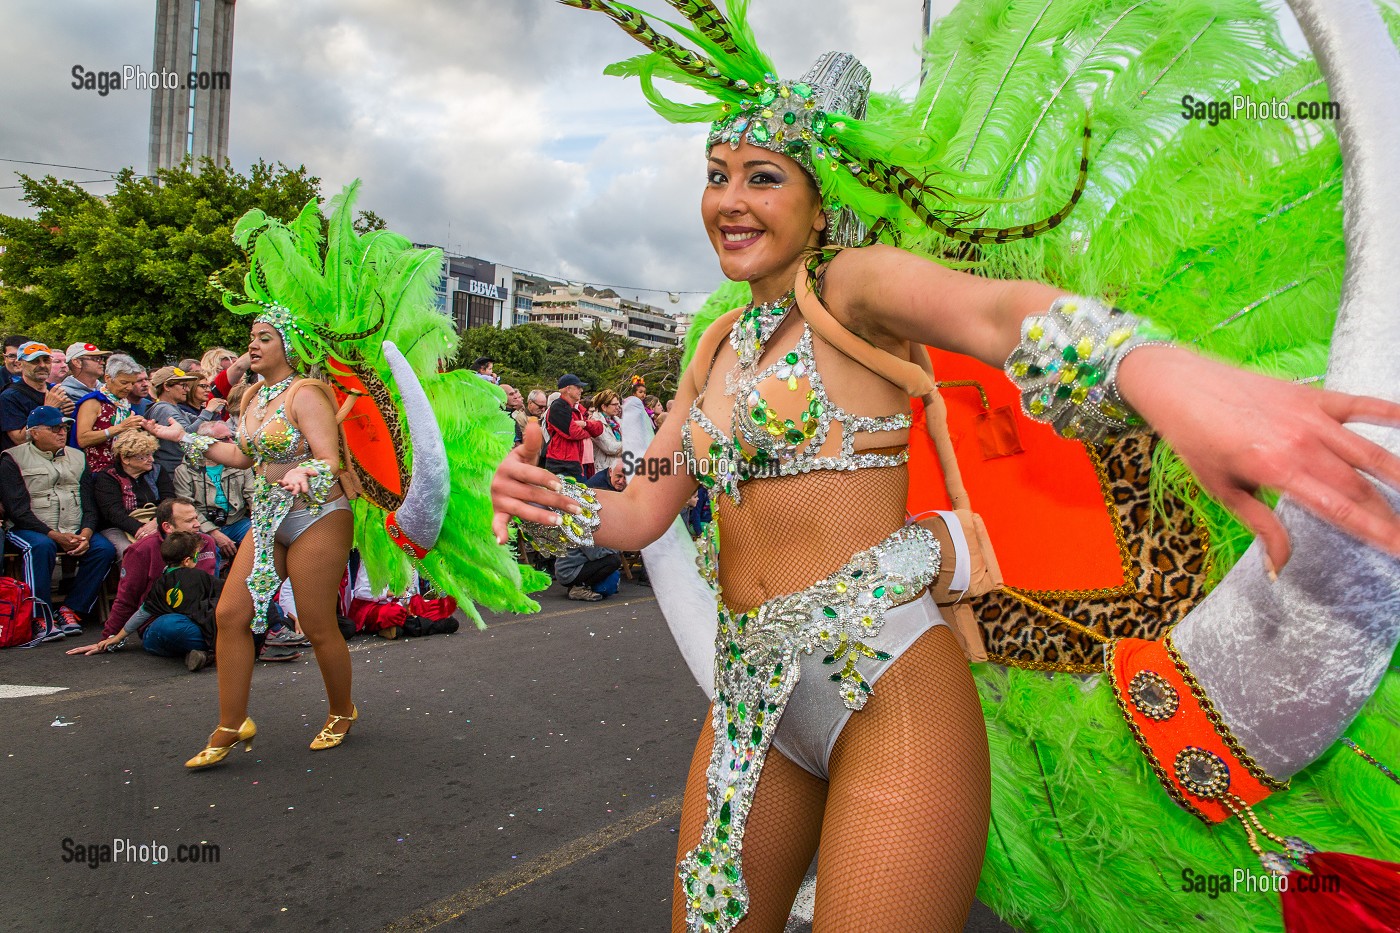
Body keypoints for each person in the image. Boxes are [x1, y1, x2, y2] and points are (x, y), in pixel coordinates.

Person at [500, 7, 1400, 932]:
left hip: (889, 693)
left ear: (817, 203)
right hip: (751, 703)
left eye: (763, 178)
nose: (731, 200)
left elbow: (997, 314)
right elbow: (643, 508)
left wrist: (1152, 368)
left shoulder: (852, 287)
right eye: (717, 177)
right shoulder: (714, 347)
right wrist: (558, 503)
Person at [146, 312, 358, 768]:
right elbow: (241, 456)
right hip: (266, 517)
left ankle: (342, 710)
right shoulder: (255, 395)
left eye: (265, 338)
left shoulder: (308, 394)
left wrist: (305, 469)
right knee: (230, 614)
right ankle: (231, 721)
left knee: (318, 623)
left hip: (317, 514)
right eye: (251, 338)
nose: (254, 346)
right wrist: (183, 437)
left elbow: (330, 460)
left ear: (290, 347)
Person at [0, 406, 117, 636]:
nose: (62, 432)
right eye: (55, 428)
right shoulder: (12, 458)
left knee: (103, 549)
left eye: (64, 427)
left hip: (72, 527)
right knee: (40, 547)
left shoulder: (78, 457)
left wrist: (85, 534)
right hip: (29, 528)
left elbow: (89, 505)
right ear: (34, 432)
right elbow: (17, 510)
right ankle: (39, 615)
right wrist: (55, 536)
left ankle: (72, 609)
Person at [69, 531, 221, 672]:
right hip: (192, 629)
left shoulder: (160, 582)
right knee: (174, 624)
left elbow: (142, 613)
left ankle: (203, 655)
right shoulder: (201, 576)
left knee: (172, 626)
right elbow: (225, 591)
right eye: (196, 555)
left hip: (165, 640)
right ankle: (216, 650)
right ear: (187, 561)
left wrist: (116, 637)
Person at [92, 430, 174, 558]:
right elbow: (113, 512)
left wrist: (156, 522)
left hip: (157, 520)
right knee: (129, 551)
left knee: (178, 544)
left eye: (151, 454)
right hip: (119, 526)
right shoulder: (108, 477)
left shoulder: (157, 470)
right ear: (125, 459)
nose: (151, 460)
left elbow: (168, 500)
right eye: (144, 456)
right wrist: (140, 529)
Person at [73, 353, 146, 473]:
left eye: (132, 383)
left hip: (122, 471)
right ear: (108, 378)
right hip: (96, 472)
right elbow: (82, 439)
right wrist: (121, 427)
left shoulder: (125, 405)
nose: (129, 388)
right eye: (124, 382)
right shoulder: (93, 402)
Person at [1, 341, 74, 450]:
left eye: (46, 360)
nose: (42, 365)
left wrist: (68, 414)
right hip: (27, 462)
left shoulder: (55, 390)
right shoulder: (10, 397)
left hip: (58, 457)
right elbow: (19, 440)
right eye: (35, 361)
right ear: (20, 364)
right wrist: (48, 409)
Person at [145, 366, 203, 477]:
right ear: (166, 386)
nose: (187, 390)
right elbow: (188, 434)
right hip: (172, 473)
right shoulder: (163, 408)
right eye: (183, 385)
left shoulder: (175, 408)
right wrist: (209, 411)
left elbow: (202, 425)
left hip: (179, 470)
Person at [543, 374, 603, 480]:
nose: (581, 390)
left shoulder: (579, 408)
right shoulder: (557, 407)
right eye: (578, 387)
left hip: (581, 463)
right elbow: (573, 433)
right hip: (563, 465)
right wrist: (588, 430)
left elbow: (599, 428)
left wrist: (584, 424)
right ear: (568, 389)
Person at [591, 390, 624, 474]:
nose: (618, 407)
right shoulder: (595, 423)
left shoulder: (616, 422)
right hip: (603, 469)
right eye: (614, 405)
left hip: (618, 466)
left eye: (618, 404)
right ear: (604, 407)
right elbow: (610, 447)